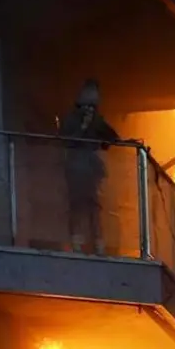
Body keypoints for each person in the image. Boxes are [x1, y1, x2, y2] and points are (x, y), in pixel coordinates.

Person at [58, 79, 120, 255]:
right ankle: (77, 243)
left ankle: (99, 245)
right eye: (88, 107)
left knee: (94, 208)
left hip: (91, 171)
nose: (90, 111)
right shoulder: (71, 120)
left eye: (93, 107)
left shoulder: (97, 121)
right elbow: (65, 140)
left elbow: (113, 136)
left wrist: (105, 142)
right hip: (76, 169)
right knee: (77, 206)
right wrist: (82, 128)